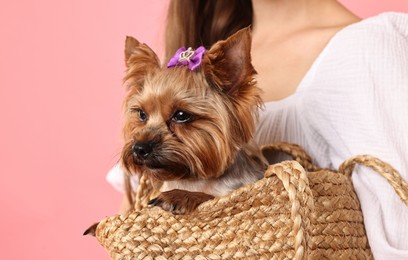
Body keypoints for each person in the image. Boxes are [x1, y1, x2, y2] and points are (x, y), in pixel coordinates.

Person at [107, 0, 408, 258]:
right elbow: (131, 230)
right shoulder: (182, 69)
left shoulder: (373, 46)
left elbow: (399, 230)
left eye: (183, 116)